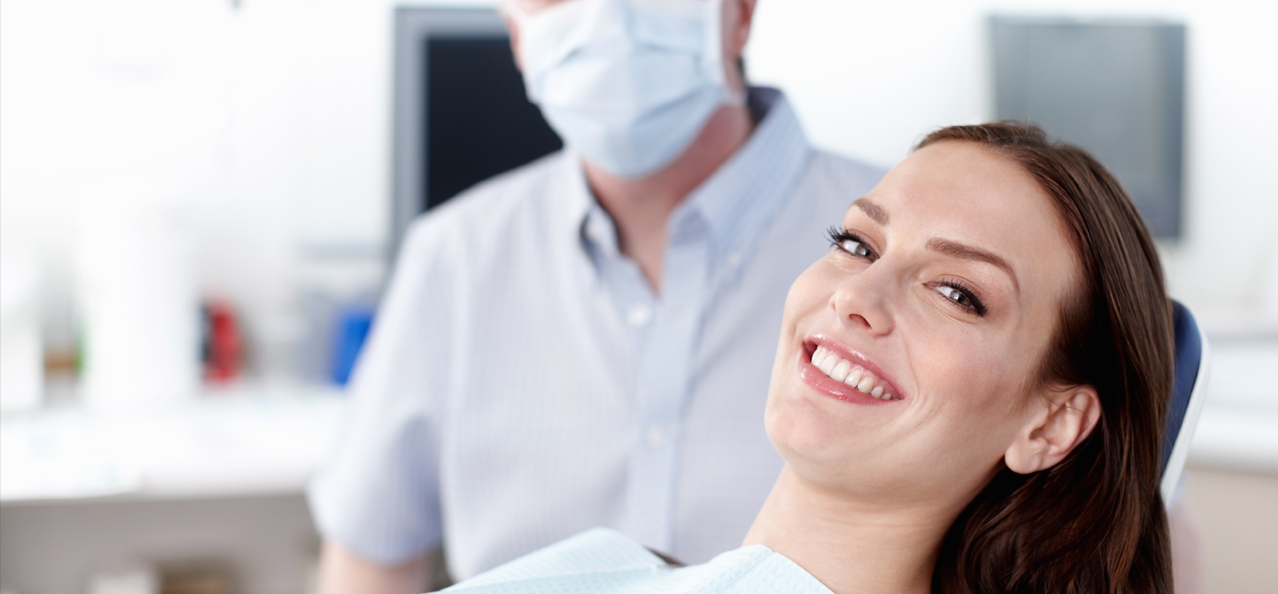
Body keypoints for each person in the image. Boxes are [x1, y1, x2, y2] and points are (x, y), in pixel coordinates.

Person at [433, 122, 1176, 593]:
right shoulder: (602, 566)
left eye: (955, 292)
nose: (857, 295)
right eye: (857, 243)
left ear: (1051, 425)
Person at [309, 0, 885, 590]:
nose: (607, 16)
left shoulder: (908, 259)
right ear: (518, 37)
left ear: (737, 16)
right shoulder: (453, 257)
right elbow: (369, 559)